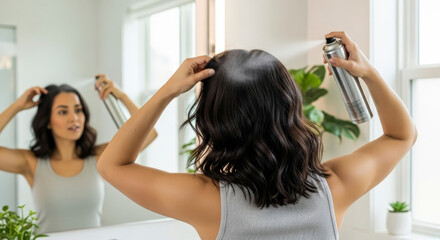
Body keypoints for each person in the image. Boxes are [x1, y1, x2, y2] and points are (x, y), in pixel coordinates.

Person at [97, 32, 417, 240]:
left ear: (214, 119)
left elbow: (112, 166)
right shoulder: (336, 185)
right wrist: (369, 73)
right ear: (290, 106)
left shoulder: (204, 200)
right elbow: (402, 136)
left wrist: (167, 91)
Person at [0, 75, 157, 233]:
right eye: (63, 112)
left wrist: (121, 96)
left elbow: (150, 134)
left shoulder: (101, 157)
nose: (74, 118)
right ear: (47, 121)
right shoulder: (31, 162)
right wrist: (17, 106)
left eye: (78, 110)